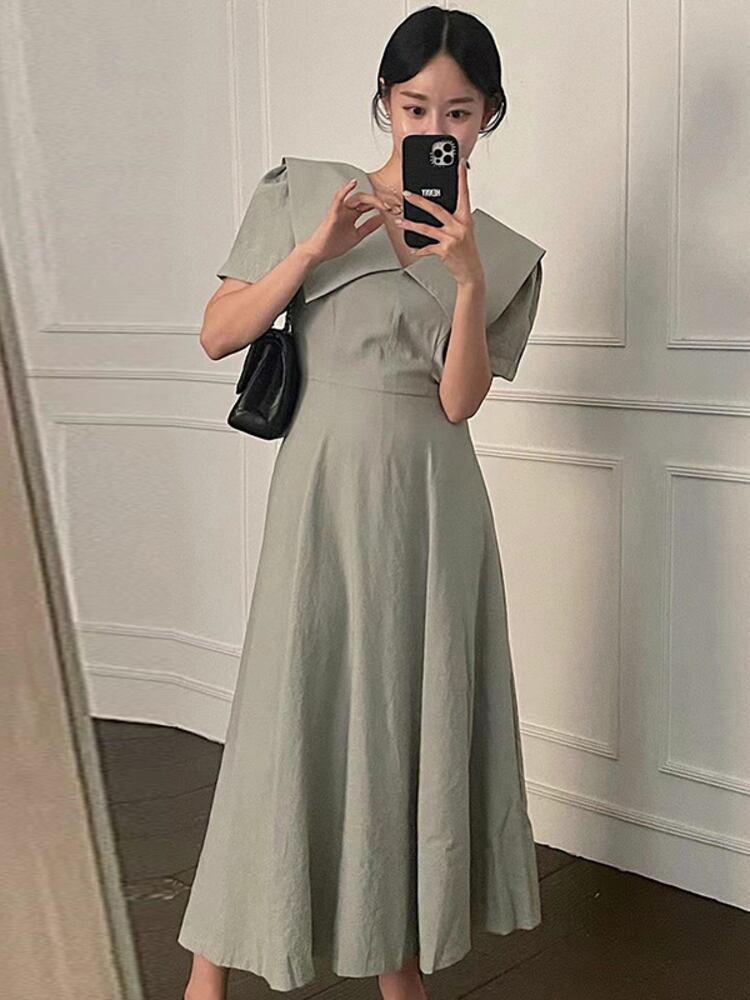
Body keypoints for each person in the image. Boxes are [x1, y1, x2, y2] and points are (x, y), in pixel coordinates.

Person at [179, 7, 545, 999]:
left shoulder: (503, 255)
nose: (434, 127)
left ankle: (399, 969)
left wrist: (466, 281)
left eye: (458, 112)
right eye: (415, 106)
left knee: (406, 722)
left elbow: (459, 403)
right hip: (324, 491)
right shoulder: (305, 192)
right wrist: (312, 251)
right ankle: (209, 970)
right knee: (286, 711)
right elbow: (218, 333)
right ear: (385, 101)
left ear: (488, 116)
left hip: (434, 504)